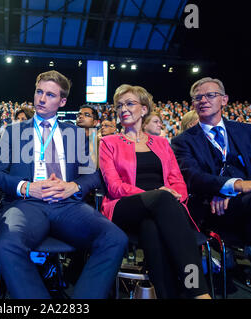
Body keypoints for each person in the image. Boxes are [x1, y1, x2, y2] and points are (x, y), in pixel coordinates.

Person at [0, 70, 127, 299]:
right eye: (39, 92)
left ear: (62, 101)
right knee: (5, 246)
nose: (41, 99)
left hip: (67, 206)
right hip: (26, 204)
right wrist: (26, 186)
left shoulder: (73, 132)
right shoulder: (13, 132)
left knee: (115, 239)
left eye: (50, 95)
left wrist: (74, 186)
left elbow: (93, 175)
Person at [99, 84, 211, 299]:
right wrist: (156, 194)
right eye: (119, 105)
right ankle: (199, 292)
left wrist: (174, 194)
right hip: (124, 206)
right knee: (160, 199)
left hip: (163, 209)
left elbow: (177, 180)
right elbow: (114, 186)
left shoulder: (161, 143)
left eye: (130, 103)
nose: (123, 108)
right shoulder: (108, 142)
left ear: (143, 109)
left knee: (151, 228)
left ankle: (167, 295)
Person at [171, 77, 251, 297]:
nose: (204, 100)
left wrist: (235, 192)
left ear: (224, 100)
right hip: (212, 209)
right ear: (193, 104)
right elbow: (194, 178)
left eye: (210, 95)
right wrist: (235, 186)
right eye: (198, 97)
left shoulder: (248, 132)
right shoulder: (183, 141)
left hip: (248, 205)